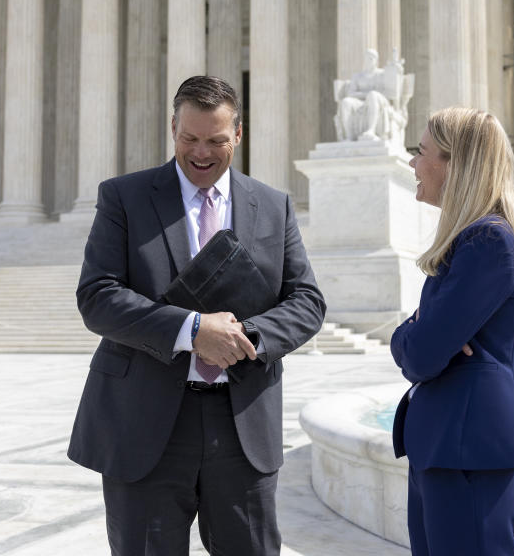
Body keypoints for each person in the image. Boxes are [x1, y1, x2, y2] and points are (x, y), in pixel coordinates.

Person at [68, 75, 326, 555]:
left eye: (216, 141)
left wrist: (242, 335)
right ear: (172, 128)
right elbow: (98, 295)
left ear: (239, 136)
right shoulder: (124, 197)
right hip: (144, 425)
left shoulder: (273, 205)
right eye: (189, 138)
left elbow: (307, 300)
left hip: (242, 424)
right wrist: (192, 330)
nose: (201, 153)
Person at [390, 107, 514, 556]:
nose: (414, 164)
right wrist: (420, 331)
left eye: (422, 152)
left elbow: (419, 355)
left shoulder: (488, 241)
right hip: (447, 449)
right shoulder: (472, 241)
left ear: (456, 164)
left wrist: (413, 332)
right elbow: (423, 344)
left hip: (466, 454)